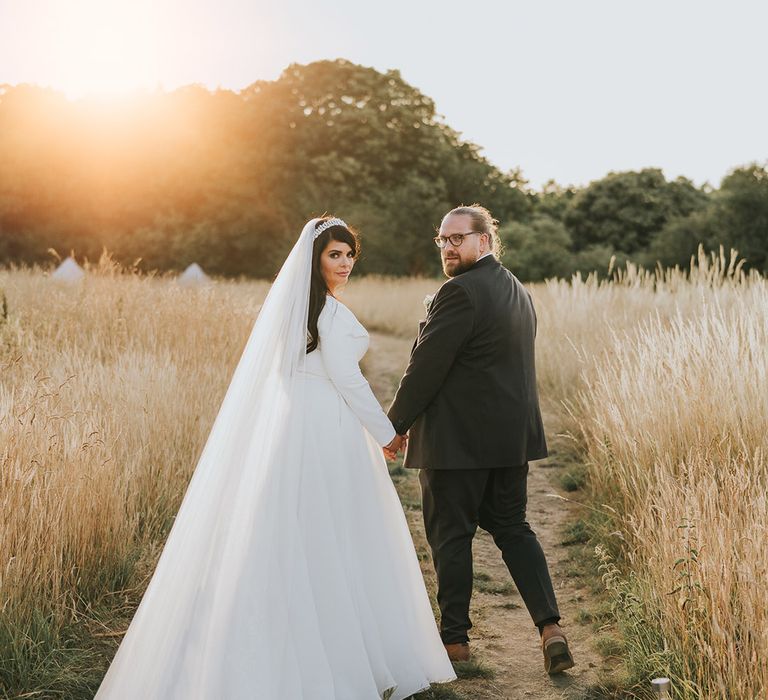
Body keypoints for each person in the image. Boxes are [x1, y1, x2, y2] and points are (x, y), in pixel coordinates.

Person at [95, 217, 455, 699]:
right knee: (334, 531)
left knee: (300, 529)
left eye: (349, 254)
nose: (345, 263)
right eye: (334, 255)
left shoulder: (303, 311)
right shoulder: (325, 312)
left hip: (296, 426)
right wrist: (388, 433)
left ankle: (307, 640)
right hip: (325, 427)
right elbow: (347, 381)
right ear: (314, 259)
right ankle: (329, 652)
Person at [387, 205, 575, 675]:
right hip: (510, 441)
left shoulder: (459, 293)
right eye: (443, 240)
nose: (448, 248)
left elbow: (426, 367)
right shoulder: (517, 290)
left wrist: (395, 425)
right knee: (513, 528)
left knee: (451, 536)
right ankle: (550, 628)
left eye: (457, 239)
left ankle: (454, 643)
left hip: (456, 444)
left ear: (484, 241)